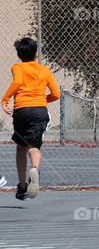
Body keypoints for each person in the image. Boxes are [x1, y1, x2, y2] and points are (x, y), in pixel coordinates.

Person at [2, 37, 60, 200]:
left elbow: (18, 81)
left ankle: (21, 187)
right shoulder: (44, 70)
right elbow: (56, 94)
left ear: (19, 55)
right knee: (34, 147)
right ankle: (34, 169)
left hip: (21, 110)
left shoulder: (17, 67)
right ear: (36, 54)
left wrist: (5, 99)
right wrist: (42, 100)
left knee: (21, 147)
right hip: (39, 111)